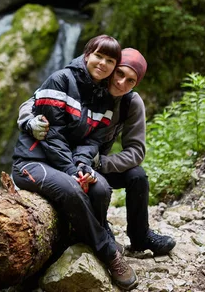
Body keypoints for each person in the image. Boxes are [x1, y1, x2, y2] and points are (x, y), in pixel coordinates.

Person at [18, 48, 176, 257]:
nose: (121, 83)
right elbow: (37, 100)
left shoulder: (130, 103)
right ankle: (102, 232)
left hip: (93, 162)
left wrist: (99, 164)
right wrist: (28, 121)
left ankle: (141, 236)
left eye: (130, 80)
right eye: (120, 73)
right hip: (61, 159)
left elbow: (136, 151)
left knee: (137, 176)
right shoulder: (88, 84)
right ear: (111, 69)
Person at [11, 35, 139, 291]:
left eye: (110, 60)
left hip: (66, 164)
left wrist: (82, 167)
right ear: (87, 54)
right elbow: (50, 134)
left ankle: (83, 234)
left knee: (101, 189)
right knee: (72, 189)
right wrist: (73, 172)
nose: (103, 63)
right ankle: (109, 252)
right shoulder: (61, 80)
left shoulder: (104, 97)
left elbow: (92, 140)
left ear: (115, 66)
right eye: (99, 56)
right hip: (32, 162)